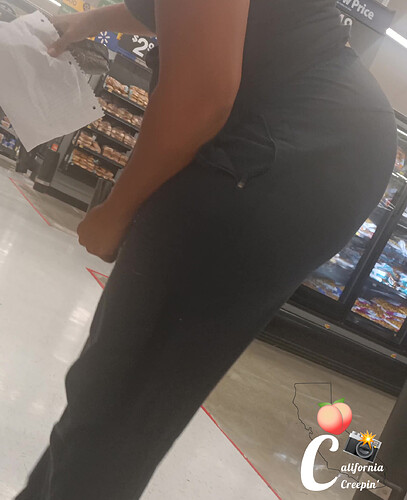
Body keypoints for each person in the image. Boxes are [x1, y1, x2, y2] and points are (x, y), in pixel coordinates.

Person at [16, 1, 397, 499]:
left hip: (281, 148)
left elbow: (201, 98)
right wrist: (88, 21)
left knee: (116, 402)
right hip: (316, 134)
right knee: (120, 397)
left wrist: (117, 210)